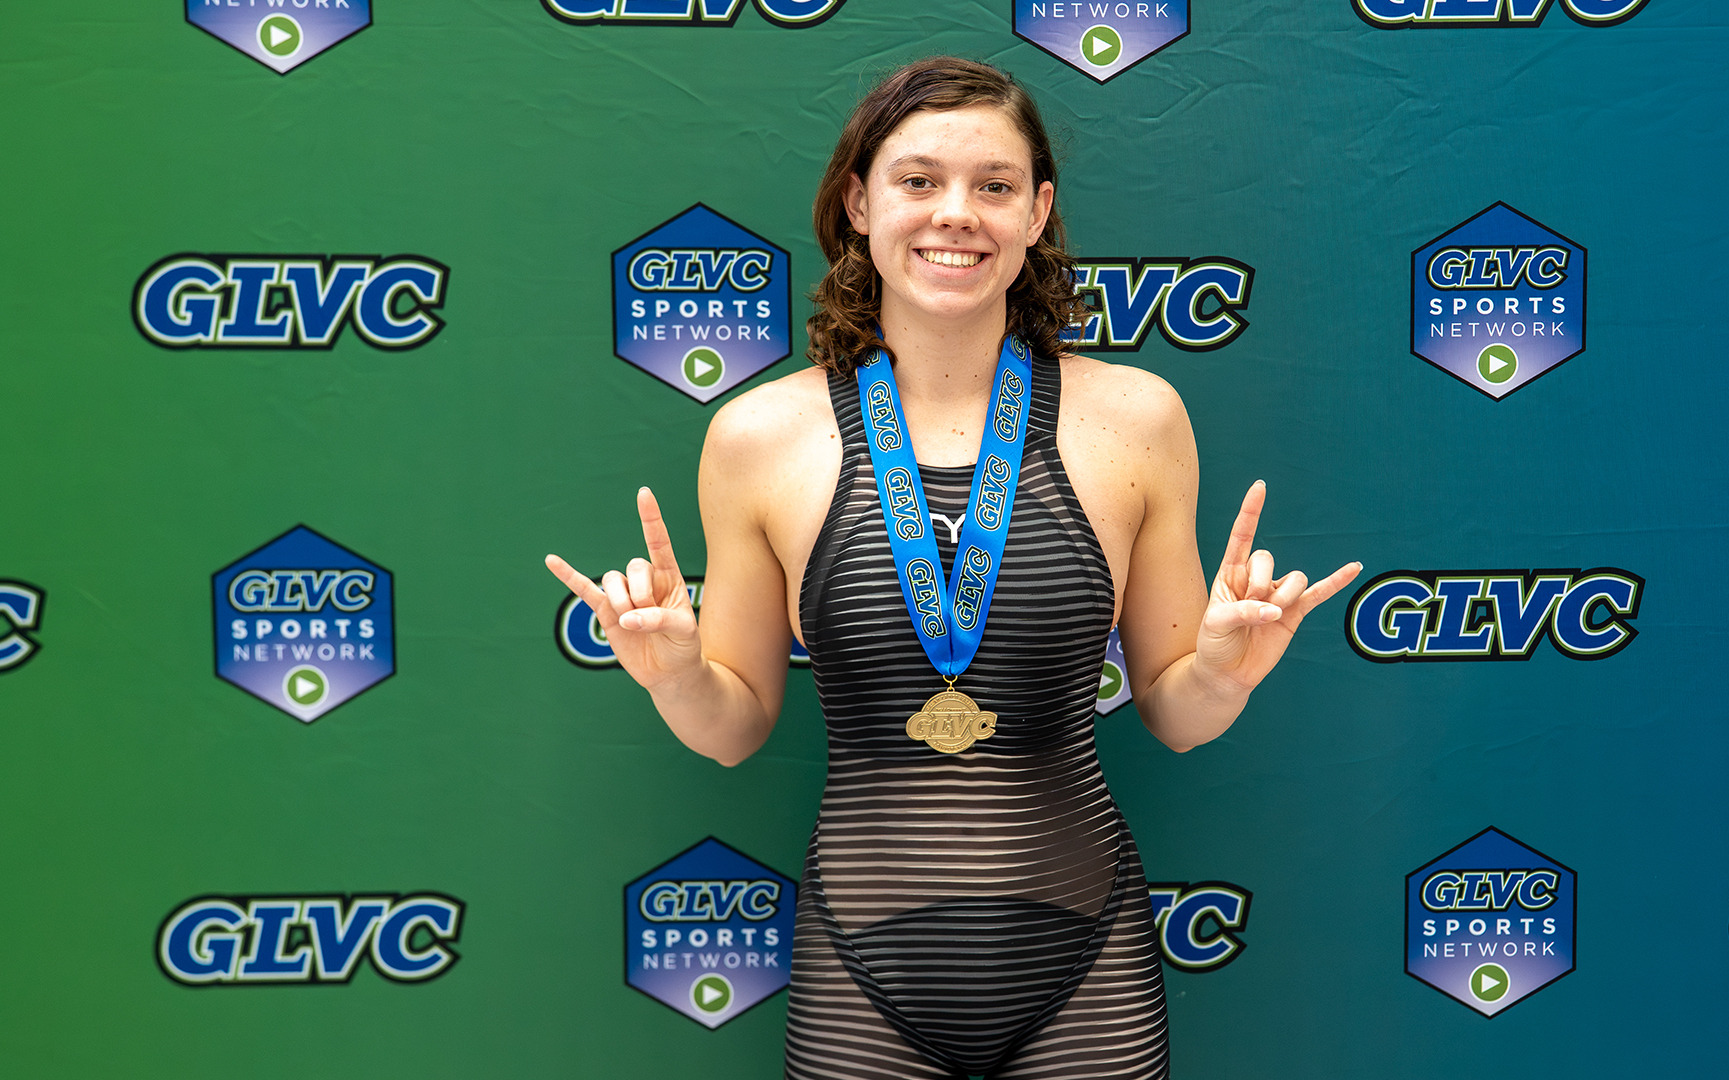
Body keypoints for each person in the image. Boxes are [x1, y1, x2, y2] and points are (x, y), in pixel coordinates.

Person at [547, 57, 1359, 1080]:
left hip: (1086, 960)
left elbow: (1175, 714)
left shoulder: (1135, 419)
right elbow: (734, 729)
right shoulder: (760, 435)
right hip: (861, 969)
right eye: (918, 181)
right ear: (859, 202)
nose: (956, 215)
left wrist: (1226, 673)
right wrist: (672, 676)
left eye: (995, 185)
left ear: (1038, 209)